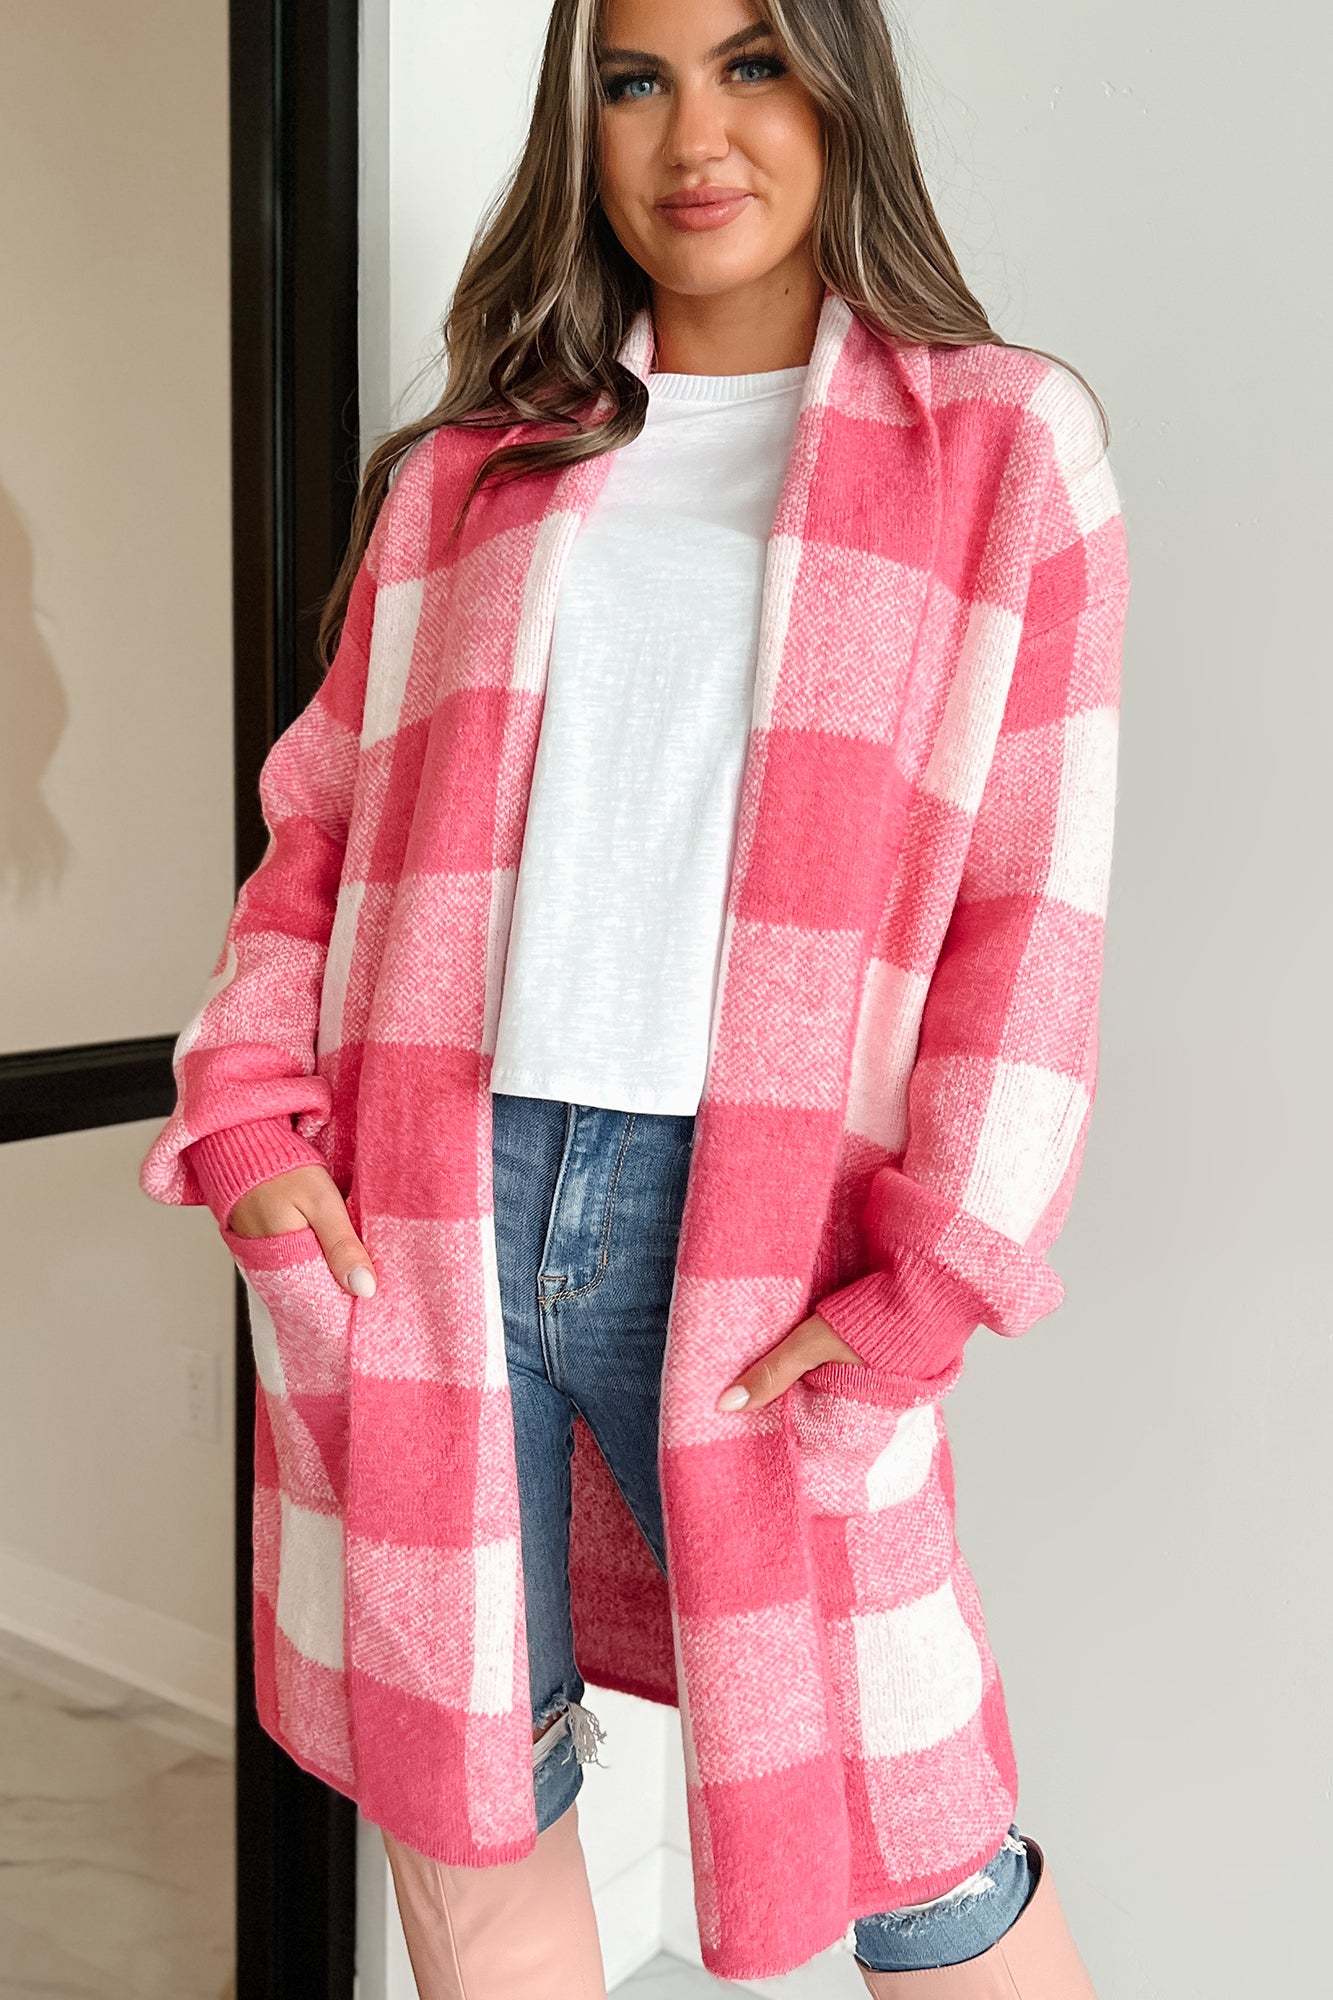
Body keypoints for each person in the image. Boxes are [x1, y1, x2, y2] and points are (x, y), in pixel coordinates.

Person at [141, 0, 1129, 1992]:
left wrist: (934, 1276)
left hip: (757, 1240)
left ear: (838, 90)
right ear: (577, 124)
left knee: (912, 1841)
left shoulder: (999, 445)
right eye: (634, 79)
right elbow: (319, 824)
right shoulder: (474, 468)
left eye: (752, 64)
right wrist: (245, 1120)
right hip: (433, 1202)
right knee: (470, 1802)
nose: (697, 135)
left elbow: (1031, 902)